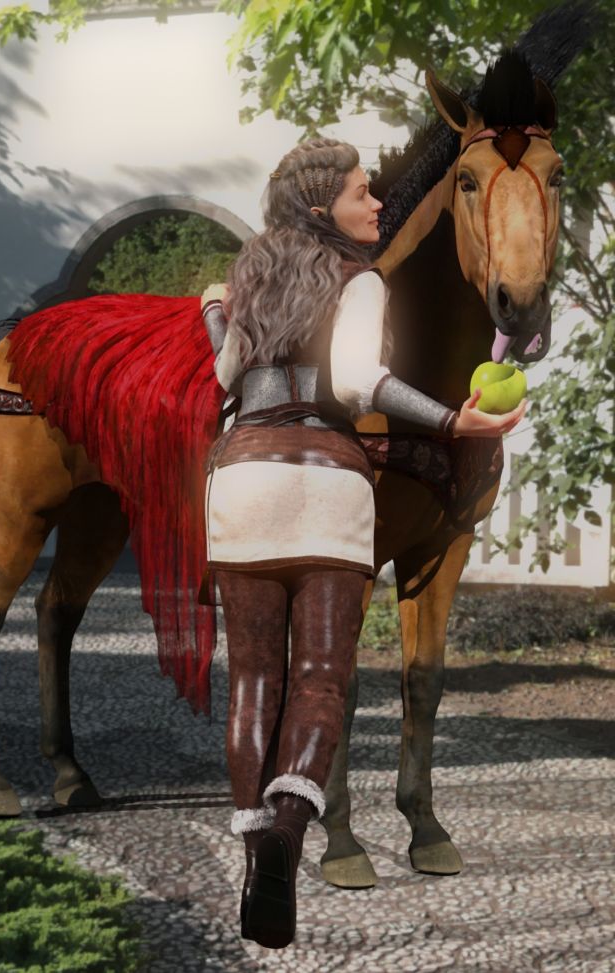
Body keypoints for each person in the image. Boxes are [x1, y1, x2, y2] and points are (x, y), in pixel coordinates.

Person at [199, 137, 525, 949]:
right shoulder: (360, 277)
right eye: (360, 193)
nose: (377, 204)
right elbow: (354, 381)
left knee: (253, 679)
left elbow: (227, 377)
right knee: (321, 676)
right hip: (327, 483)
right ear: (322, 206)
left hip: (241, 479)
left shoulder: (251, 273)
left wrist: (215, 313)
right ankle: (289, 830)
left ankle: (256, 852)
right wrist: (453, 420)